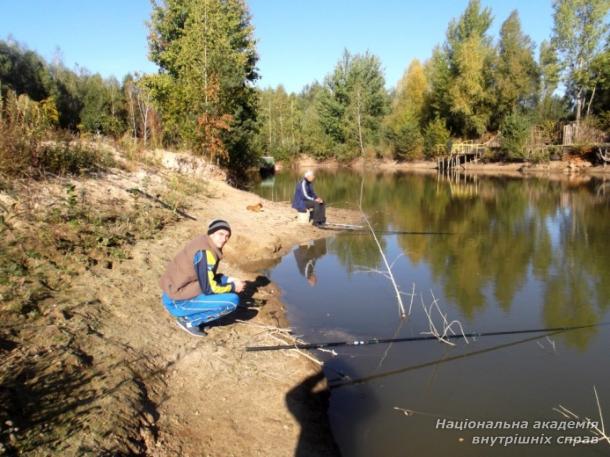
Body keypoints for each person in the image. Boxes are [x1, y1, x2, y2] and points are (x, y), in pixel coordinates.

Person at [159, 219, 246, 337]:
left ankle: (194, 315)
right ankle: (189, 321)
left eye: (227, 236)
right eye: (221, 234)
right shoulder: (206, 253)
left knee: (222, 286)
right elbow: (208, 288)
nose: (224, 239)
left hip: (171, 293)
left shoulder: (202, 242)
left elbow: (206, 276)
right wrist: (233, 287)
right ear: (212, 233)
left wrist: (228, 279)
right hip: (176, 301)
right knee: (232, 301)